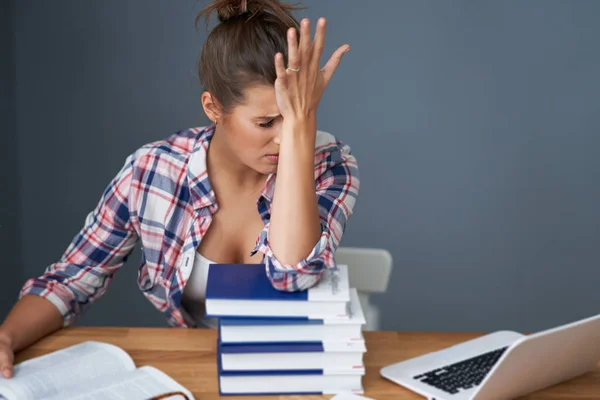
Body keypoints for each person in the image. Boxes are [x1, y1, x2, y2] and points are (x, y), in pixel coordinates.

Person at [0, 0, 359, 379]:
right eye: (267, 121)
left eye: (297, 117)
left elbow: (293, 275)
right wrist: (6, 338)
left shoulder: (330, 166)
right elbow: (72, 280)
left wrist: (303, 126)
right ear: (213, 107)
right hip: (197, 373)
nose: (284, 140)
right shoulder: (152, 171)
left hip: (298, 374)